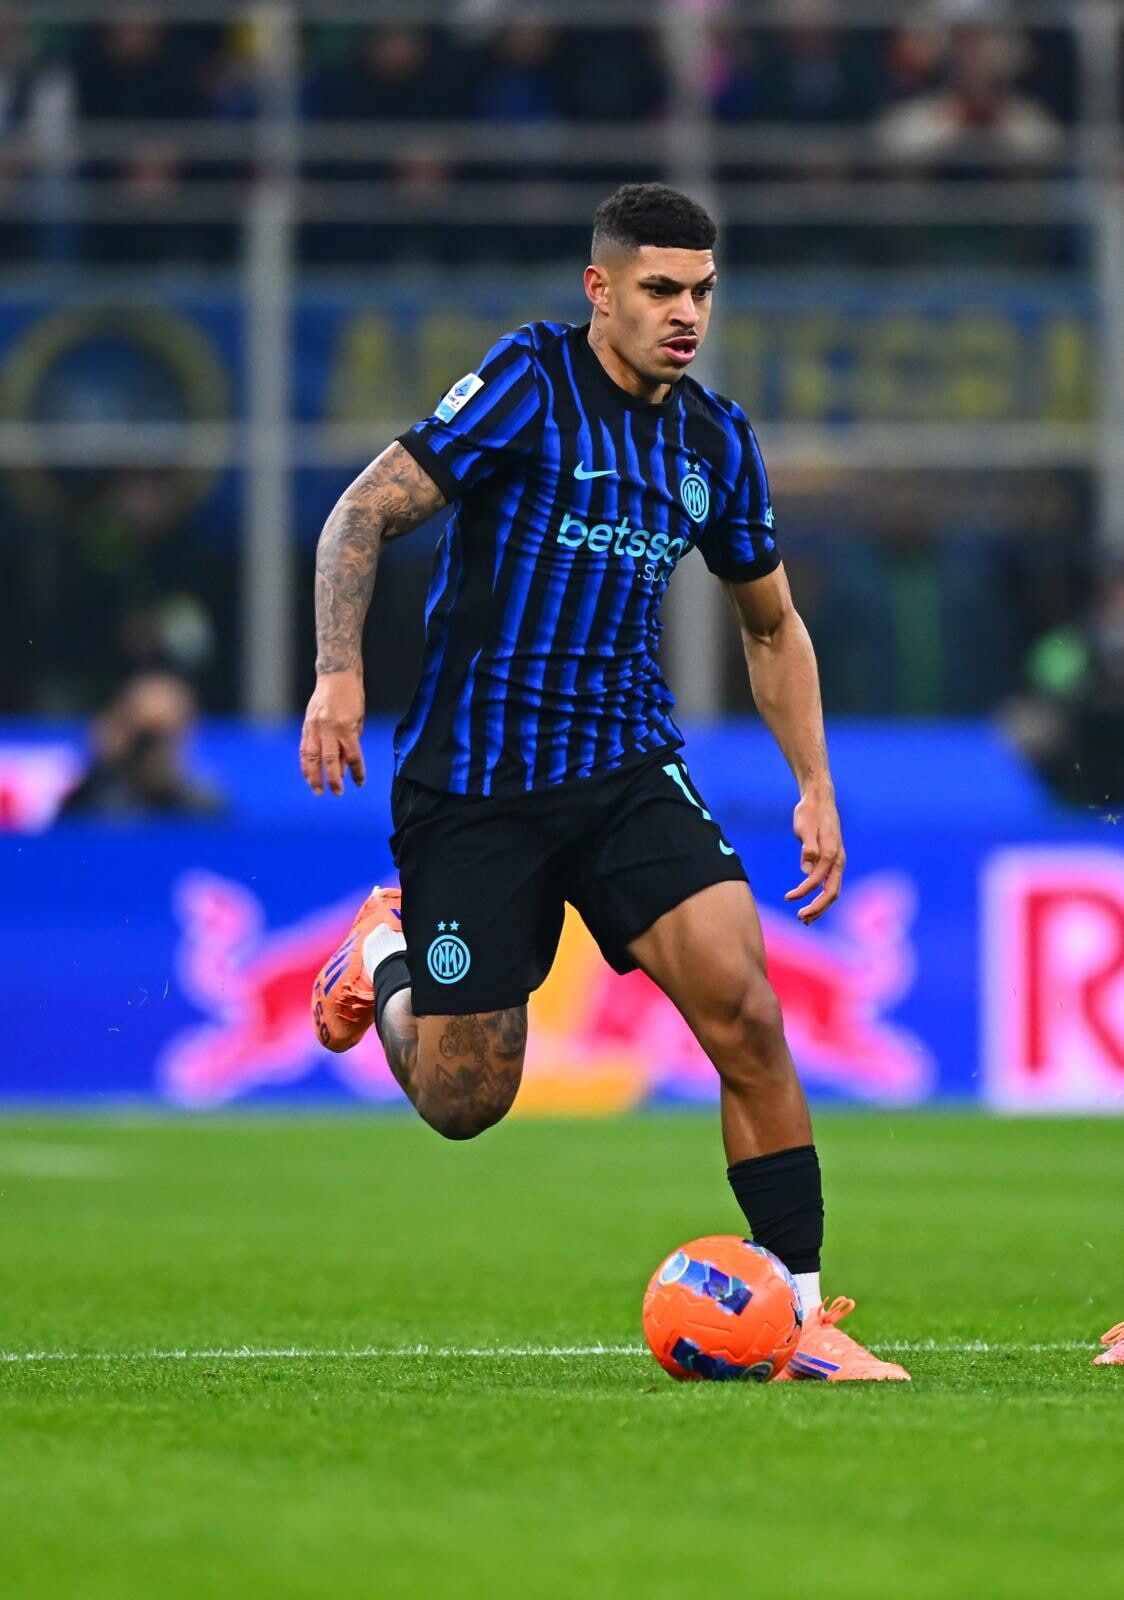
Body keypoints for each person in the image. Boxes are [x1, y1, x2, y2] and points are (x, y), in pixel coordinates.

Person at [299, 182, 908, 1382]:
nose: (685, 314)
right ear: (599, 288)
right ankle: (382, 952)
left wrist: (814, 783)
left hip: (625, 770)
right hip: (477, 786)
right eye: (658, 289)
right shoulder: (529, 383)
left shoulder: (714, 441)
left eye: (701, 293)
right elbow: (358, 517)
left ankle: (798, 1318)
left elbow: (771, 626)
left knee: (746, 1011)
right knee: (466, 1099)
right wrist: (336, 672)